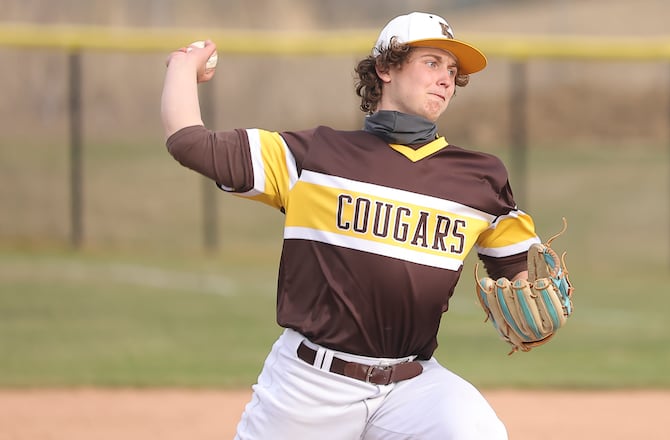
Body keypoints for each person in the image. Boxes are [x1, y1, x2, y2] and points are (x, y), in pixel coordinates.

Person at [161, 11, 540, 440]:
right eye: (432, 63)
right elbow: (189, 142)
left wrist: (533, 295)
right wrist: (181, 66)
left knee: (476, 431)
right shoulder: (316, 157)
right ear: (385, 68)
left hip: (412, 386)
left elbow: (517, 268)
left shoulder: (479, 177)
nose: (446, 79)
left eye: (452, 70)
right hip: (310, 386)